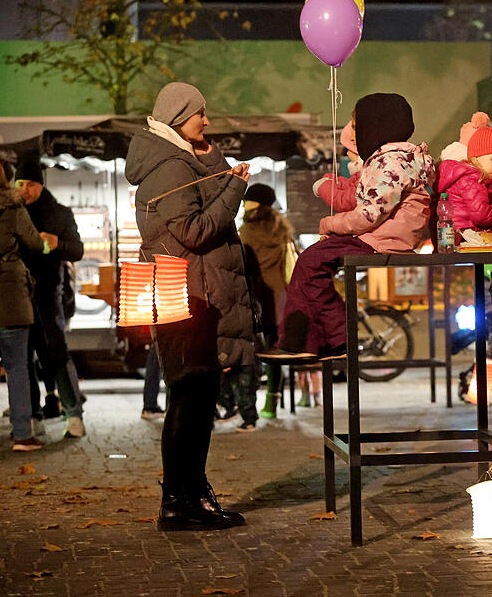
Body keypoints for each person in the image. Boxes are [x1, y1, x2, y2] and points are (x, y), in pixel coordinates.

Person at [126, 81, 254, 530]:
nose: (208, 121)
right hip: (188, 295)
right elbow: (196, 231)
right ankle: (179, 502)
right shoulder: (167, 168)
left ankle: (192, 495)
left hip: (197, 294)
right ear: (182, 116)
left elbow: (205, 196)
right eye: (202, 113)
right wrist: (236, 192)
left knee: (198, 397)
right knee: (189, 397)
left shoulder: (180, 159)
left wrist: (216, 163)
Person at [278, 93, 434, 358]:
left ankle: (316, 339)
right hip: (385, 235)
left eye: (358, 126)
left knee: (310, 263)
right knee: (312, 263)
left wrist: (329, 224)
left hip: (381, 238)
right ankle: (326, 339)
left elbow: (369, 214)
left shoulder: (389, 163)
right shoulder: (396, 159)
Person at [14, 160, 87, 438]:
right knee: (23, 357)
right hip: (16, 295)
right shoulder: (10, 212)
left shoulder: (59, 213)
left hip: (48, 293)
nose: (25, 191)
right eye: (20, 184)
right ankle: (33, 415)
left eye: (30, 184)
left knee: (55, 352)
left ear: (41, 184)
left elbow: (78, 251)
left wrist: (58, 244)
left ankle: (74, 415)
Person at [0, 154, 45, 451]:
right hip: (10, 296)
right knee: (16, 367)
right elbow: (35, 243)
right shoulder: (13, 207)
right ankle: (22, 434)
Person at [238, 182, 296, 425]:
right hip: (280, 298)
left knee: (251, 352)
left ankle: (247, 405)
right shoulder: (282, 229)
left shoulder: (246, 232)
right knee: (275, 350)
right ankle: (272, 402)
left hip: (255, 298)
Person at [436, 124, 492, 231]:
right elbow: (480, 215)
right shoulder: (472, 180)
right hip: (465, 234)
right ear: (476, 156)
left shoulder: (472, 178)